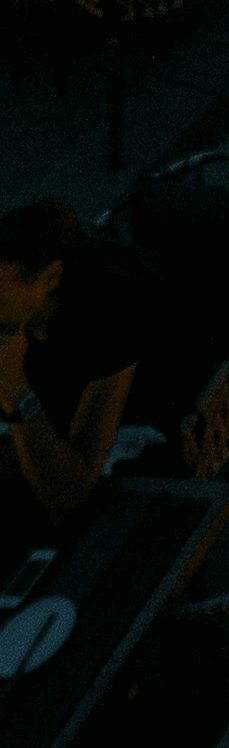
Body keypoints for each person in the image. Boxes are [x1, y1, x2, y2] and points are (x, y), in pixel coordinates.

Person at [0, 200, 149, 529]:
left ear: (50, 278)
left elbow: (70, 496)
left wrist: (15, 392)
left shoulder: (107, 325)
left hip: (133, 436)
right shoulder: (14, 318)